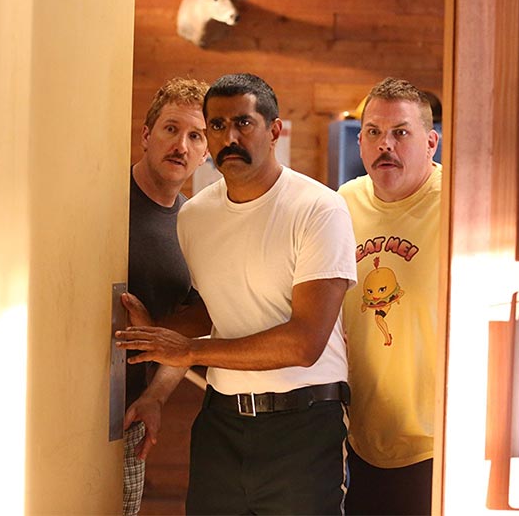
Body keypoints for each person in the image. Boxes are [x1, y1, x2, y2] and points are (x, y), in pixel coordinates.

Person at [117, 72, 357, 515]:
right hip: (221, 423)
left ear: (274, 131)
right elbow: (210, 307)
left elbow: (305, 343)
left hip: (304, 425)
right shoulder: (195, 216)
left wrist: (189, 350)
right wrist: (157, 332)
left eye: (243, 123)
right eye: (217, 125)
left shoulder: (320, 209)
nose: (230, 138)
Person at [338, 78, 442, 515]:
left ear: (431, 142)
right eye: (374, 132)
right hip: (360, 438)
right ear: (360, 142)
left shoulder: (457, 203)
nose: (386, 145)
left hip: (437, 442)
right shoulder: (343, 203)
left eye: (401, 132)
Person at [122, 77, 209, 516]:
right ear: (146, 135)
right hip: (60, 401)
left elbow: (189, 333)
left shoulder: (195, 227)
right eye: (171, 129)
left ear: (205, 153)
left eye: (196, 136)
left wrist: (155, 396)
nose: (181, 145)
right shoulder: (101, 200)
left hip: (129, 415)